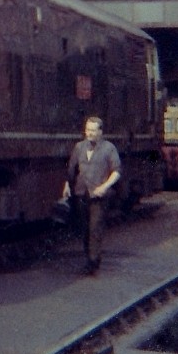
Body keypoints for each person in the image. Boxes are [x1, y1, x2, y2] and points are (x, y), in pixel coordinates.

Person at [62, 116, 121, 275]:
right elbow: (72, 169)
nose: (89, 133)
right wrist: (67, 185)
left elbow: (116, 171)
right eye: (87, 130)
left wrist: (105, 186)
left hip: (99, 195)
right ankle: (90, 257)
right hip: (81, 193)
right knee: (85, 228)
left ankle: (93, 262)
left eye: (93, 130)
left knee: (95, 227)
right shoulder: (79, 147)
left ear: (100, 132)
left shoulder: (109, 148)